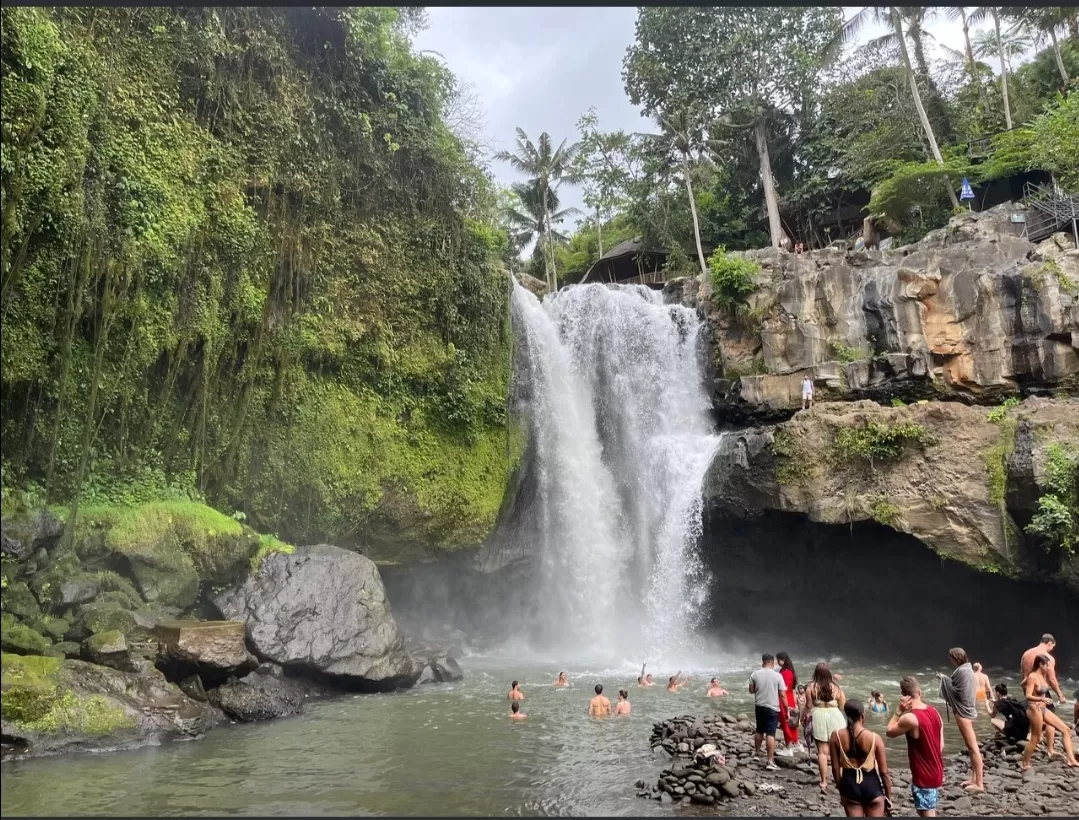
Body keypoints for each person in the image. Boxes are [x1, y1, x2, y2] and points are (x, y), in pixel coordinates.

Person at [887, 676, 944, 818]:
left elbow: (889, 732)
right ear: (920, 692)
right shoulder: (935, 712)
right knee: (925, 809)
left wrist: (898, 711)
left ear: (903, 697)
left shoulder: (910, 718)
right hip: (937, 770)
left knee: (927, 813)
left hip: (923, 775)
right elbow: (941, 745)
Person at [830, 700, 891, 817]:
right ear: (863, 716)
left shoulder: (836, 736)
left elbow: (835, 768)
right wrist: (888, 797)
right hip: (872, 787)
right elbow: (884, 773)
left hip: (849, 786)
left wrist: (841, 788)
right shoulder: (875, 738)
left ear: (846, 715)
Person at [938, 647, 984, 792]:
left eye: (951, 658)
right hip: (968, 710)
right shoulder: (968, 669)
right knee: (971, 749)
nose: (950, 660)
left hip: (963, 713)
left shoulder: (962, 671)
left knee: (973, 748)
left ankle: (979, 784)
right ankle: (973, 778)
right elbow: (961, 689)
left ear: (955, 658)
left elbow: (958, 692)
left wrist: (944, 679)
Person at [1021, 654, 1078, 770]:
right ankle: (1025, 763)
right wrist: (1042, 698)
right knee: (1035, 738)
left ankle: (1071, 760)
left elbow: (1023, 684)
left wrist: (1060, 696)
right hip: (1034, 709)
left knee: (1066, 730)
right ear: (1040, 664)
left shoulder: (1043, 675)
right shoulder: (1032, 677)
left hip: (1043, 709)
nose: (1048, 667)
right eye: (1047, 665)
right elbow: (1027, 696)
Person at [1020, 633, 1066, 755]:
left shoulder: (1026, 654)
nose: (1052, 650)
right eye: (1052, 647)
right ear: (1049, 643)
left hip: (1028, 689)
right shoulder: (1047, 658)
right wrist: (1060, 695)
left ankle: (1033, 738)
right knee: (1050, 718)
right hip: (1040, 691)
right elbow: (1051, 680)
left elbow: (1023, 675)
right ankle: (1049, 748)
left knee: (1034, 715)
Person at [805, 662, 846, 793]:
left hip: (819, 716)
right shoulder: (837, 688)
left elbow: (808, 706)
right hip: (836, 717)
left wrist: (802, 718)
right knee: (839, 751)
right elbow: (842, 706)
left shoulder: (811, 687)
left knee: (822, 752)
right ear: (829, 673)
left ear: (816, 673)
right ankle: (840, 780)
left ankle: (823, 781)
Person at [748, 653, 787, 771]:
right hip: (772, 707)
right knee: (770, 734)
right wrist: (787, 708)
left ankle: (757, 753)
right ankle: (770, 761)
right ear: (773, 662)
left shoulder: (754, 674)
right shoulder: (778, 676)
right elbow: (782, 694)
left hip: (759, 705)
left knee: (759, 730)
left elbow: (751, 690)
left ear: (762, 662)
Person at [776, 651, 802, 755]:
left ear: (783, 660)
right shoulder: (789, 670)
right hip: (790, 697)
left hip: (784, 699)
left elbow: (784, 688)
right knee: (792, 723)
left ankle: (788, 748)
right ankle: (798, 744)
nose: (777, 662)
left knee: (786, 722)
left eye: (778, 659)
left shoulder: (786, 672)